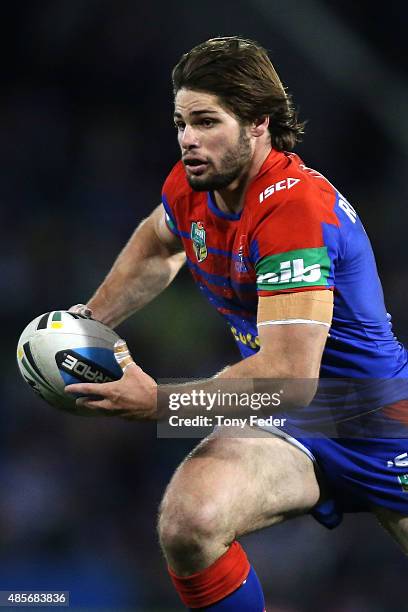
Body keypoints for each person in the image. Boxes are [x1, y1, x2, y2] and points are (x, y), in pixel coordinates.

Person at [65, 37, 408, 611]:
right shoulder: (194, 183)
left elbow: (289, 376)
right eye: (180, 122)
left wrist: (158, 404)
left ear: (258, 124)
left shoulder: (294, 209)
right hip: (298, 419)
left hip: (376, 419)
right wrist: (91, 321)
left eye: (206, 122)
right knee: (190, 520)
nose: (188, 140)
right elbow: (158, 241)